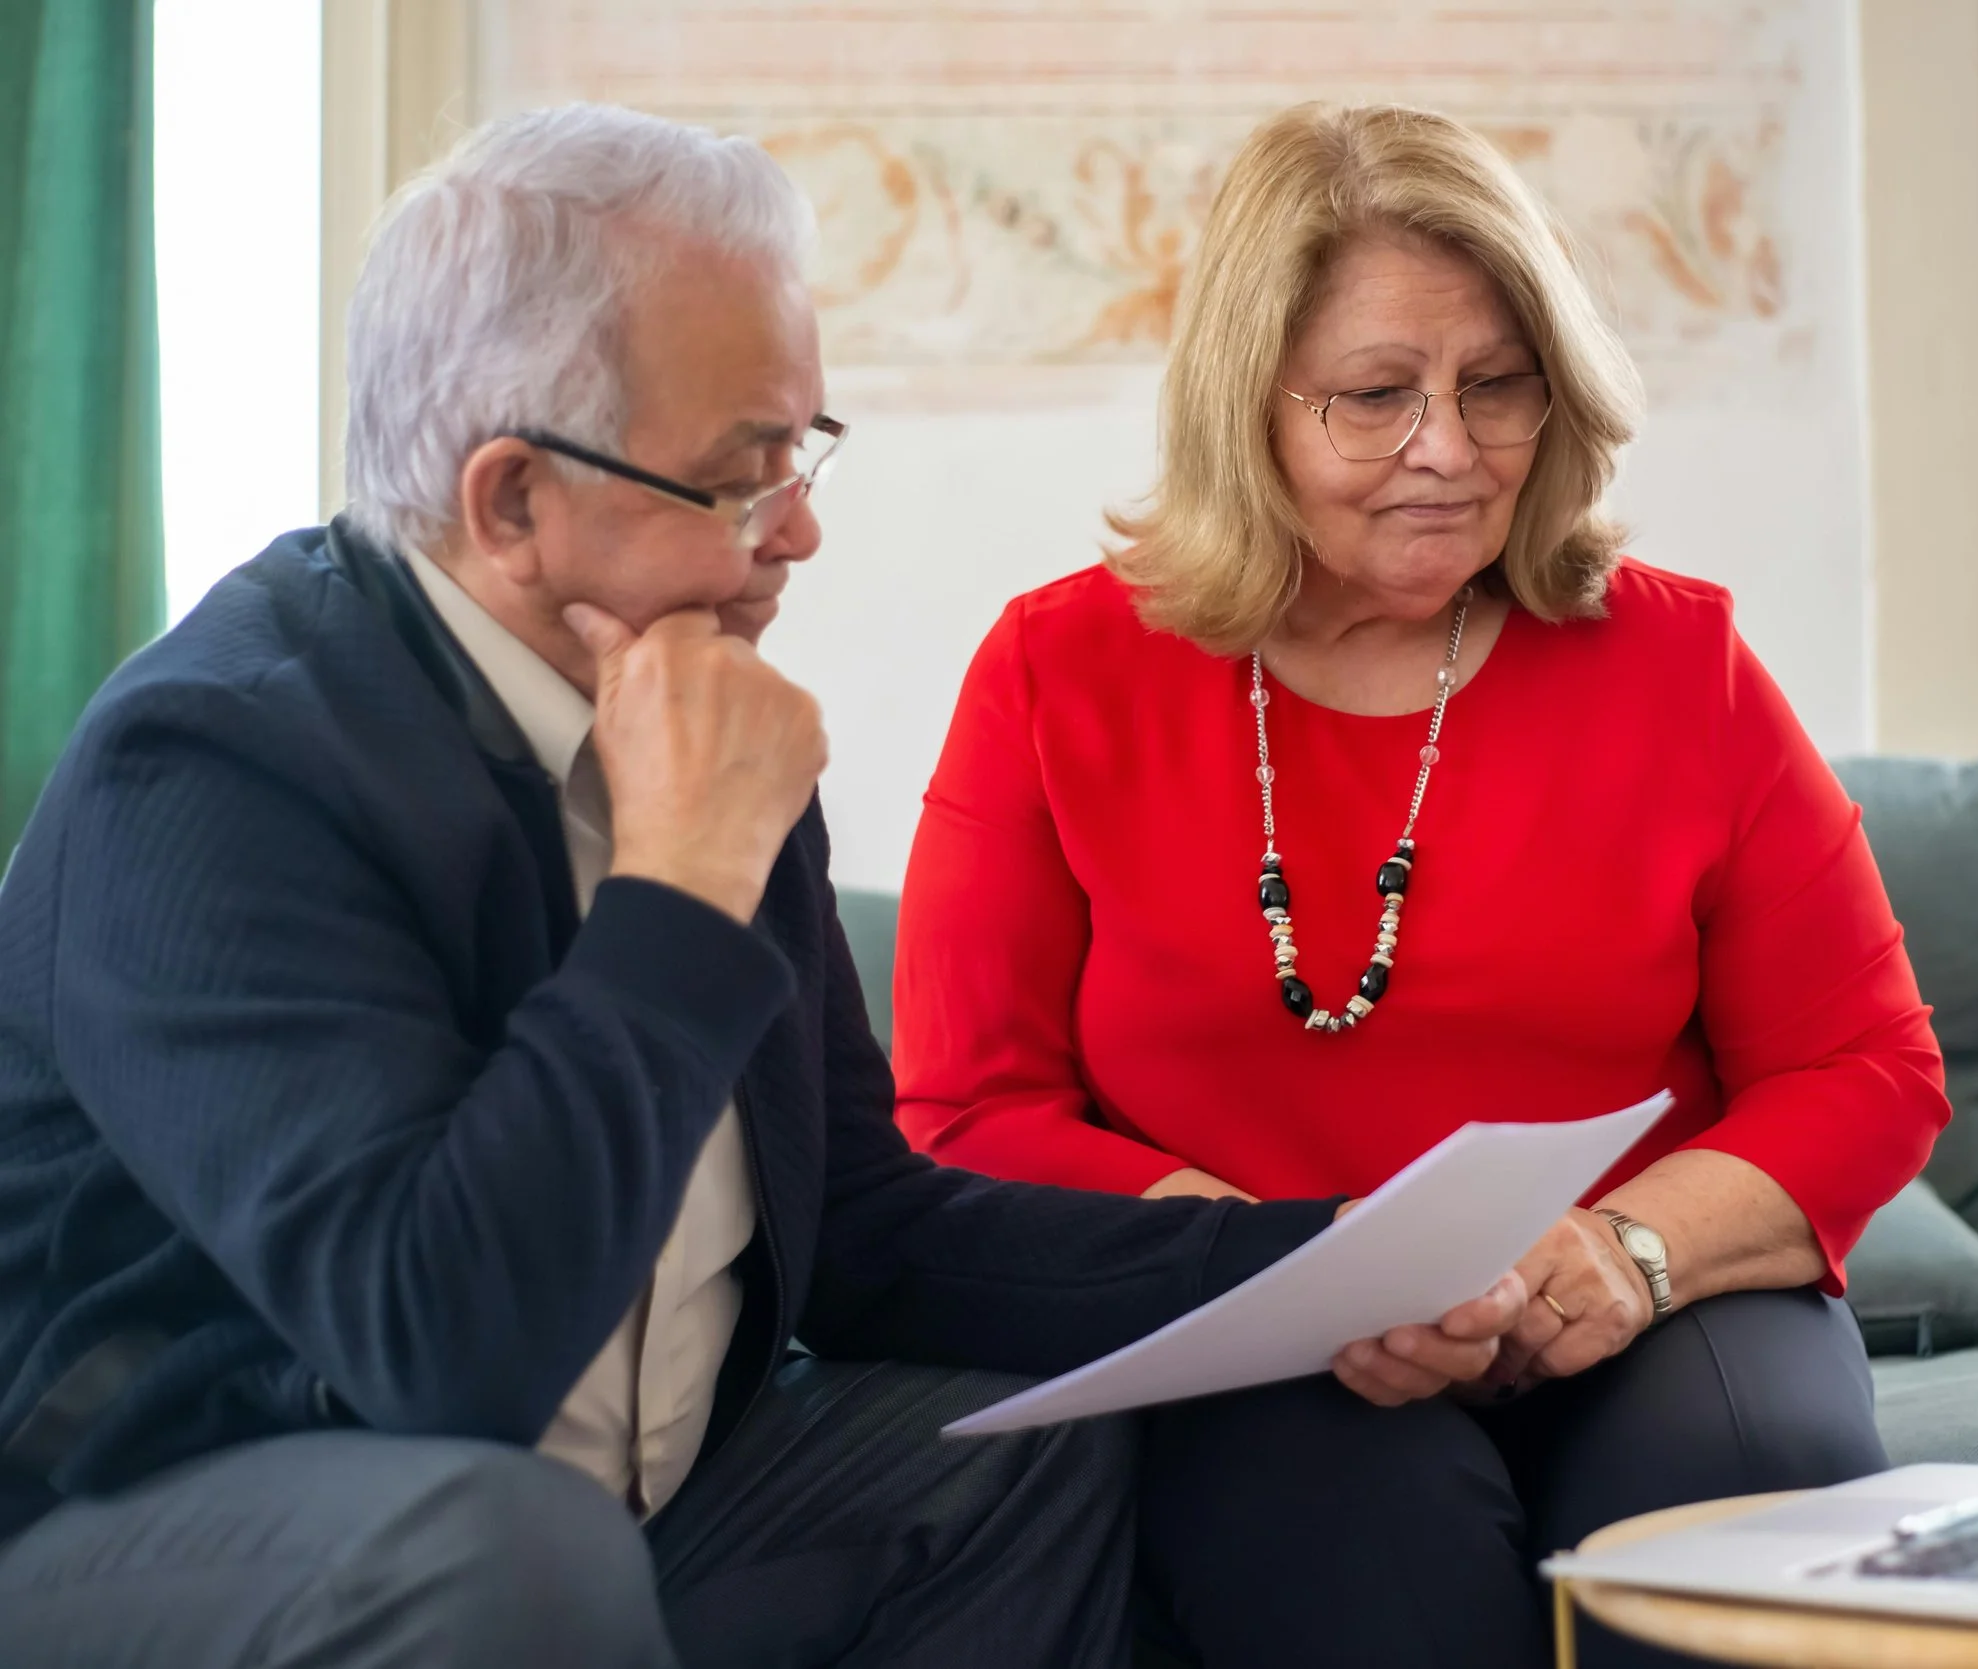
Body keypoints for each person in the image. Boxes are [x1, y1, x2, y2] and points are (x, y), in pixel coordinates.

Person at [0, 103, 1527, 1669]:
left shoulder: (692, 703)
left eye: (803, 453)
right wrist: (678, 884)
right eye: (740, 477)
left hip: (623, 1515)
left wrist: (1329, 1266)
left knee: (1016, 1450)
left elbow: (869, 1233)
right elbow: (445, 1349)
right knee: (502, 1551)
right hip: (168, 1532)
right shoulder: (216, 768)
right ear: (510, 500)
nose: (795, 530)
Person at [894, 102, 1954, 1669]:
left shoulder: (1681, 663)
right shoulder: (1061, 670)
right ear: (1248, 404)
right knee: (1359, 1547)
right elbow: (966, 1110)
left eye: (1498, 386)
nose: (1448, 450)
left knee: (1739, 1496)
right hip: (1254, 1330)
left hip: (1646, 1300)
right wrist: (1278, 1271)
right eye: (1377, 396)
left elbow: (1868, 1066)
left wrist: (1626, 1255)